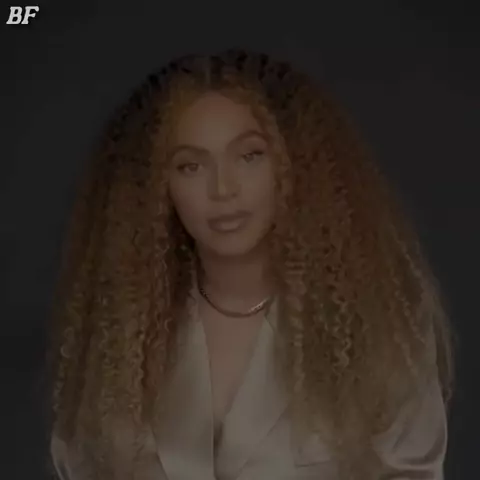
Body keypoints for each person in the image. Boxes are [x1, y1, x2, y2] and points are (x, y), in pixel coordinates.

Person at [47, 49, 454, 480]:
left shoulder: (378, 321)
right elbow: (81, 466)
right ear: (154, 187)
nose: (223, 189)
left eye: (250, 156)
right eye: (190, 166)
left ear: (294, 164)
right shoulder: (119, 331)